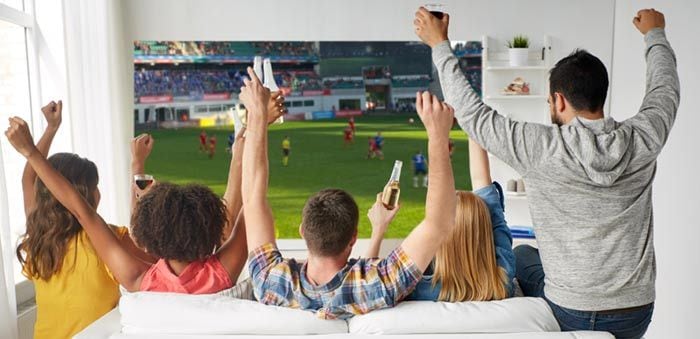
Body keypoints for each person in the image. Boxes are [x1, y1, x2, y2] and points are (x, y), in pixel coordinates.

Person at [415, 8, 677, 338]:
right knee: (524, 254)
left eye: (549, 101)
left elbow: (473, 116)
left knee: (524, 255)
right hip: (636, 314)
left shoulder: (541, 147)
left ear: (559, 100)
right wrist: (655, 34)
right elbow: (665, 90)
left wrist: (439, 43)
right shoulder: (644, 137)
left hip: (569, 312)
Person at [239, 67, 456, 319]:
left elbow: (252, 197)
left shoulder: (270, 282)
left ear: (302, 231)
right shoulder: (376, 287)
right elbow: (439, 223)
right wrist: (439, 137)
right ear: (353, 238)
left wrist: (256, 114)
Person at [5, 114, 259, 294]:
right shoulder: (221, 273)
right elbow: (252, 199)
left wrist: (34, 147)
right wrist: (247, 143)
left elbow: (79, 210)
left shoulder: (140, 279)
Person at [15, 101, 153, 339]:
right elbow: (146, 241)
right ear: (85, 194)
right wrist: (138, 166)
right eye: (95, 186)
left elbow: (28, 180)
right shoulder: (110, 241)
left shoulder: (39, 239)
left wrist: (51, 129)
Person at [369, 139, 515, 301]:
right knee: (523, 253)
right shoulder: (503, 280)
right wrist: (472, 119)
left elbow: (368, 284)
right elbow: (482, 180)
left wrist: (378, 229)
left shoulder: (418, 289)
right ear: (486, 231)